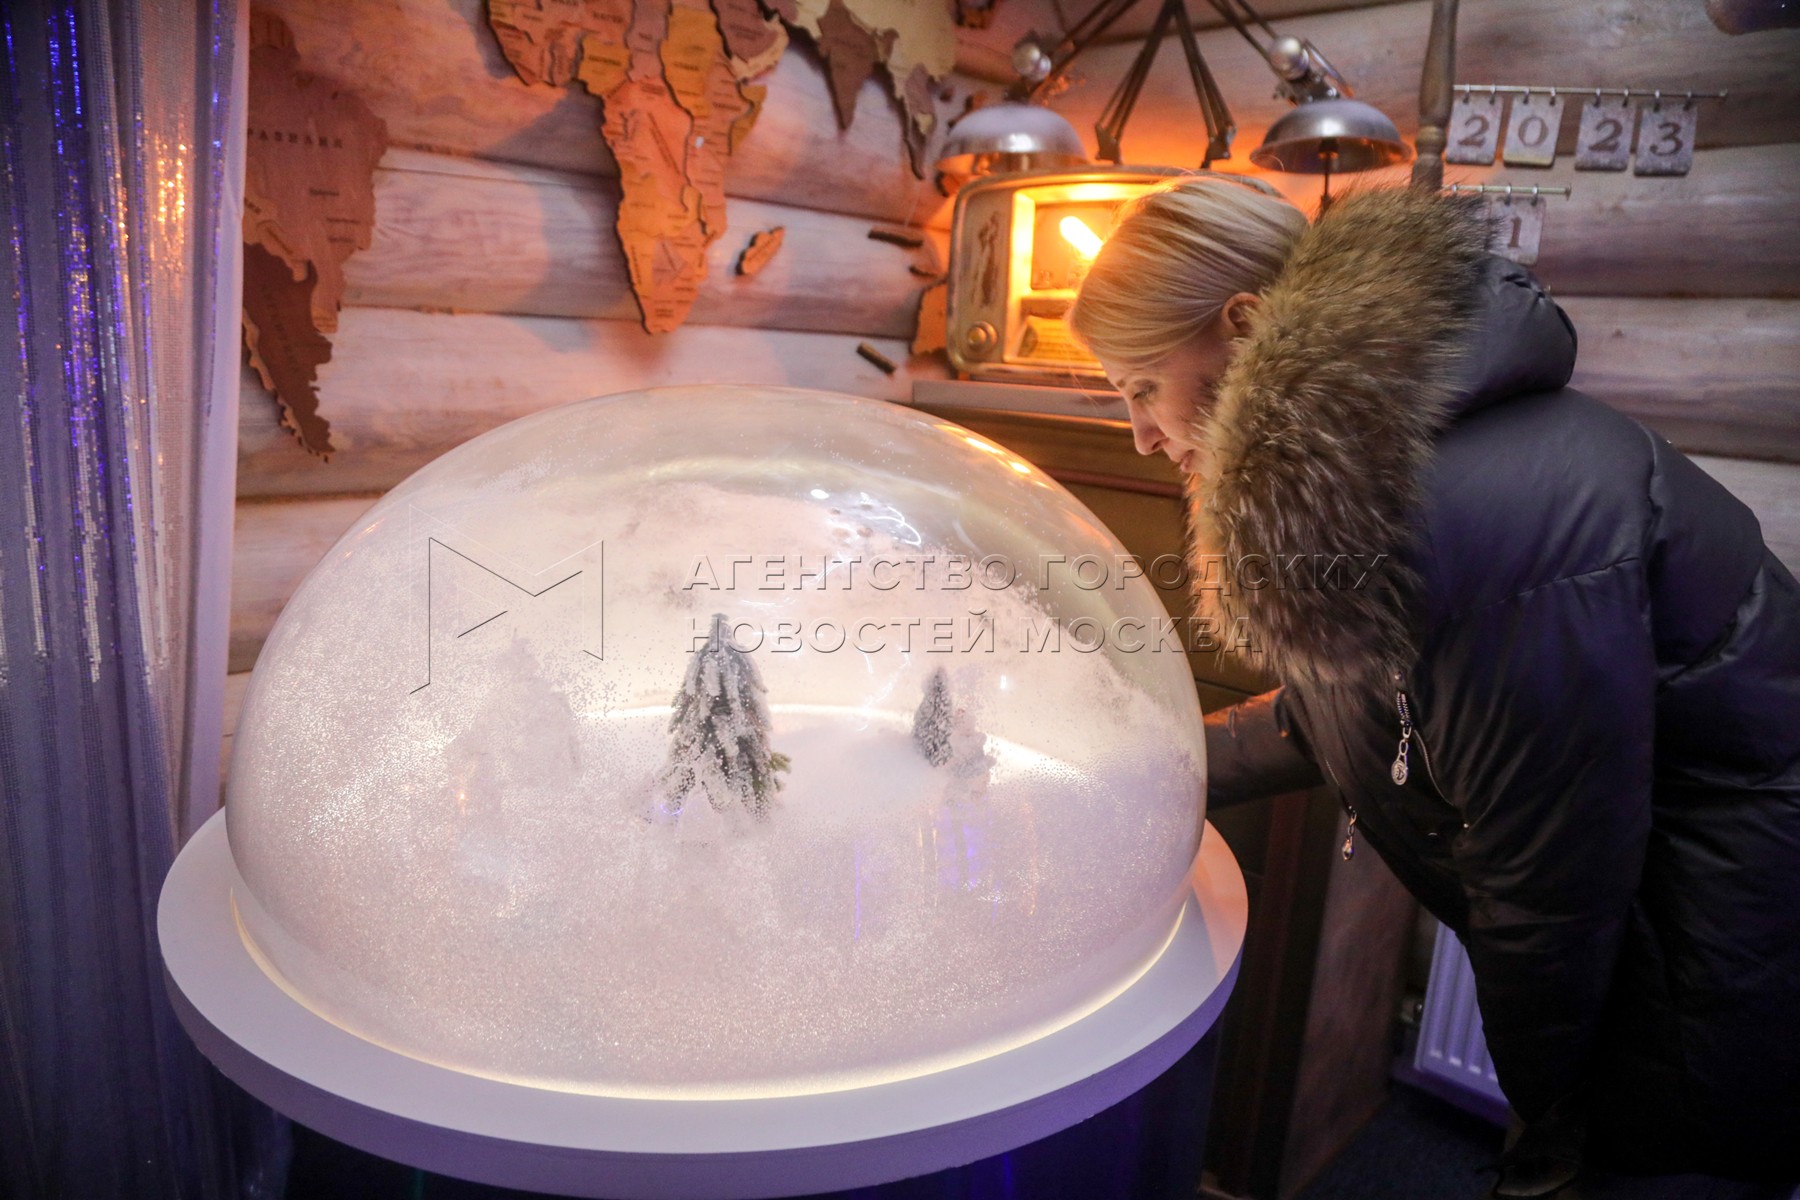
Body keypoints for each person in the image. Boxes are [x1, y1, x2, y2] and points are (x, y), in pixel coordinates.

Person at [1068, 174, 1800, 1198]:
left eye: (1143, 386)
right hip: (1640, 929)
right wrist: (1150, 766)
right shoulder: (1367, 468)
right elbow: (1345, 707)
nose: (1140, 434)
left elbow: (1551, 880)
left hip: (1719, 937)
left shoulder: (1472, 508)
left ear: (1244, 327)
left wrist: (1552, 1136)